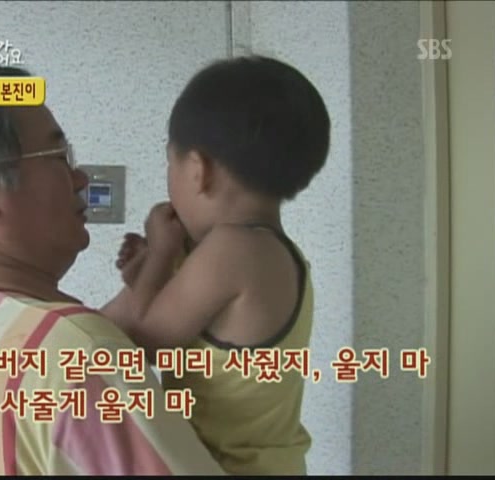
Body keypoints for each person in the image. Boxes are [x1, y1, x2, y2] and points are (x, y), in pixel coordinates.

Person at [0, 66, 226, 476]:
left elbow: (90, 335)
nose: (80, 177)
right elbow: (81, 345)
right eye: (57, 158)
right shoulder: (75, 353)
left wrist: (158, 261)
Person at [109, 55, 331, 475]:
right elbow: (143, 324)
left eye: (170, 161)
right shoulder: (268, 253)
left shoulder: (234, 250)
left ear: (199, 170)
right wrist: (152, 272)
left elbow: (144, 342)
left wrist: (160, 254)